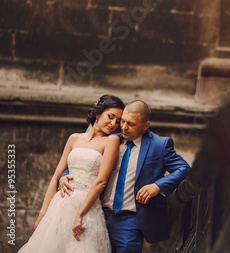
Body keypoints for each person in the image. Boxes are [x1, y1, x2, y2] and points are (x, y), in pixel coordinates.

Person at [59, 100, 191, 253]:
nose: (123, 127)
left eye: (131, 124)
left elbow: (184, 168)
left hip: (130, 222)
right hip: (97, 216)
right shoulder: (111, 139)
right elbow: (82, 160)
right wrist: (64, 175)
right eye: (122, 121)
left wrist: (158, 185)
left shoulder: (159, 145)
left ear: (145, 125)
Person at [19, 94, 125, 253]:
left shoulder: (111, 141)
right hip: (61, 203)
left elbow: (101, 181)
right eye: (110, 117)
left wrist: (80, 214)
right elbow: (56, 176)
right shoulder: (74, 138)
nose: (113, 124)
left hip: (86, 207)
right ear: (98, 114)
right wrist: (43, 212)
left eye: (118, 121)